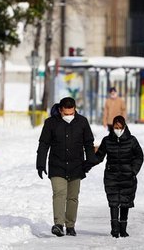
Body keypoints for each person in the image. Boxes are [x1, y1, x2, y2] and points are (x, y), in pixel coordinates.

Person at [36, 97, 97, 237]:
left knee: (72, 197)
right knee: (59, 194)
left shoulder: (82, 122)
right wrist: (40, 164)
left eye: (71, 113)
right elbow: (44, 144)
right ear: (60, 110)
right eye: (66, 114)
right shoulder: (51, 123)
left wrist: (90, 160)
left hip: (76, 165)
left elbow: (88, 142)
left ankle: (70, 225)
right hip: (57, 165)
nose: (69, 116)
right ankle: (58, 224)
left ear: (75, 109)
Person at [94, 115, 144, 238]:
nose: (117, 129)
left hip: (128, 176)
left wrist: (133, 171)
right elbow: (99, 156)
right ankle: (115, 229)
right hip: (111, 176)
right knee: (113, 202)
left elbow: (139, 156)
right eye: (115, 127)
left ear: (124, 127)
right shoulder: (107, 140)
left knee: (125, 202)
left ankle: (123, 229)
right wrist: (87, 161)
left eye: (120, 127)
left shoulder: (132, 140)